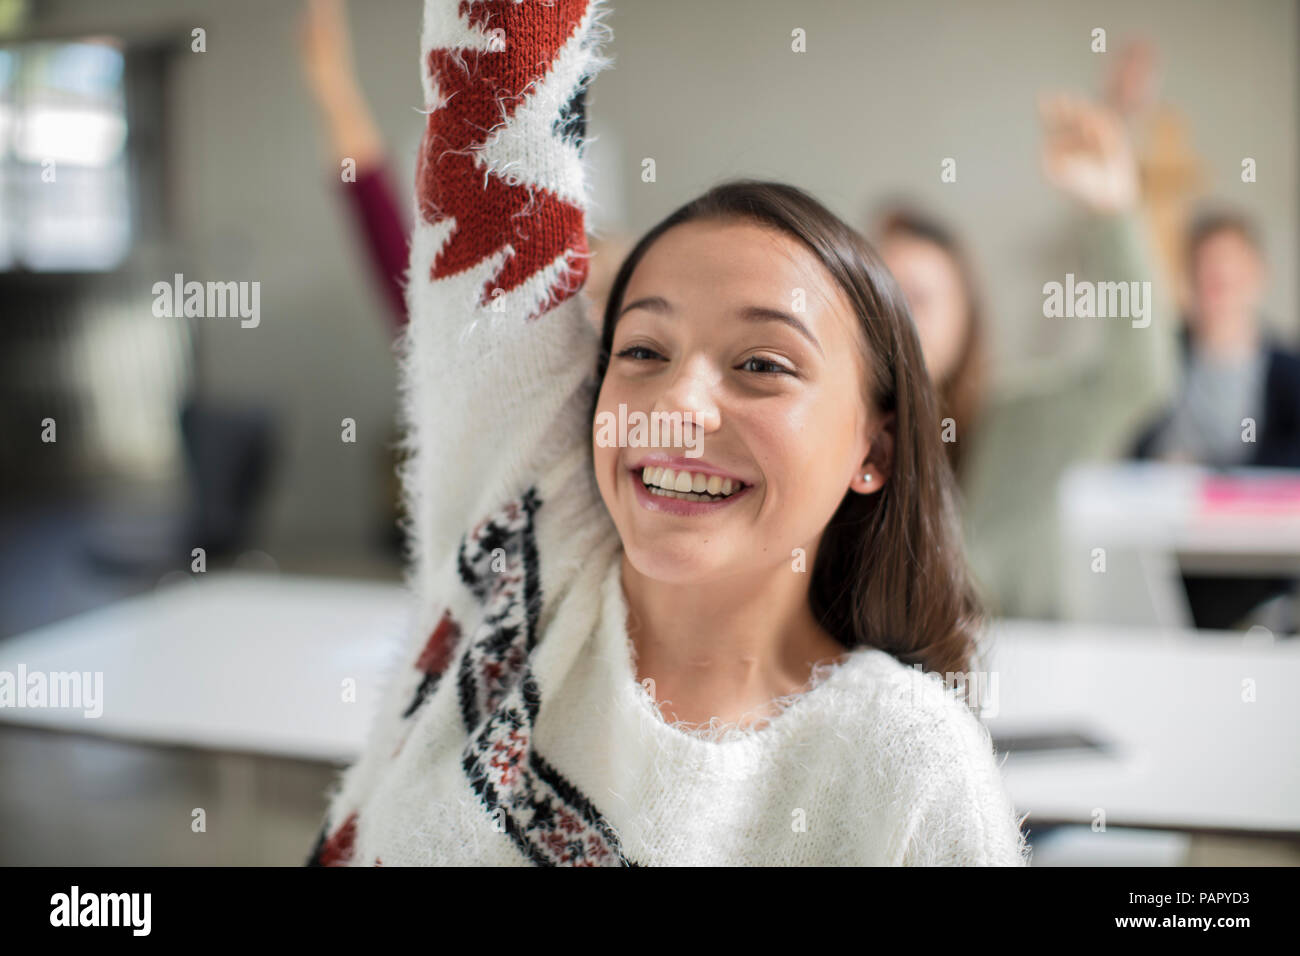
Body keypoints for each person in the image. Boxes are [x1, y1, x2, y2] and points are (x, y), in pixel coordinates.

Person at [308, 0, 1028, 866]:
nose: (676, 405)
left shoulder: (911, 768)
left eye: (762, 363)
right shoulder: (523, 555)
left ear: (873, 449)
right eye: (643, 347)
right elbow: (499, 101)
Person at [875, 94, 1178, 620]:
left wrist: (1114, 215)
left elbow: (1140, 376)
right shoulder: (840, 439)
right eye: (878, 295)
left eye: (919, 298)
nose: (896, 318)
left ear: (966, 320)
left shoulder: (1018, 422)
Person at [1132, 211, 1300, 629]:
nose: (1220, 285)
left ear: (1258, 275)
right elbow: (1128, 447)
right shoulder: (1154, 364)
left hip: (1262, 569)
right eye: (1208, 272)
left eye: (1232, 272)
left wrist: (1216, 475)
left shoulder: (1287, 371)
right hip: (1164, 564)